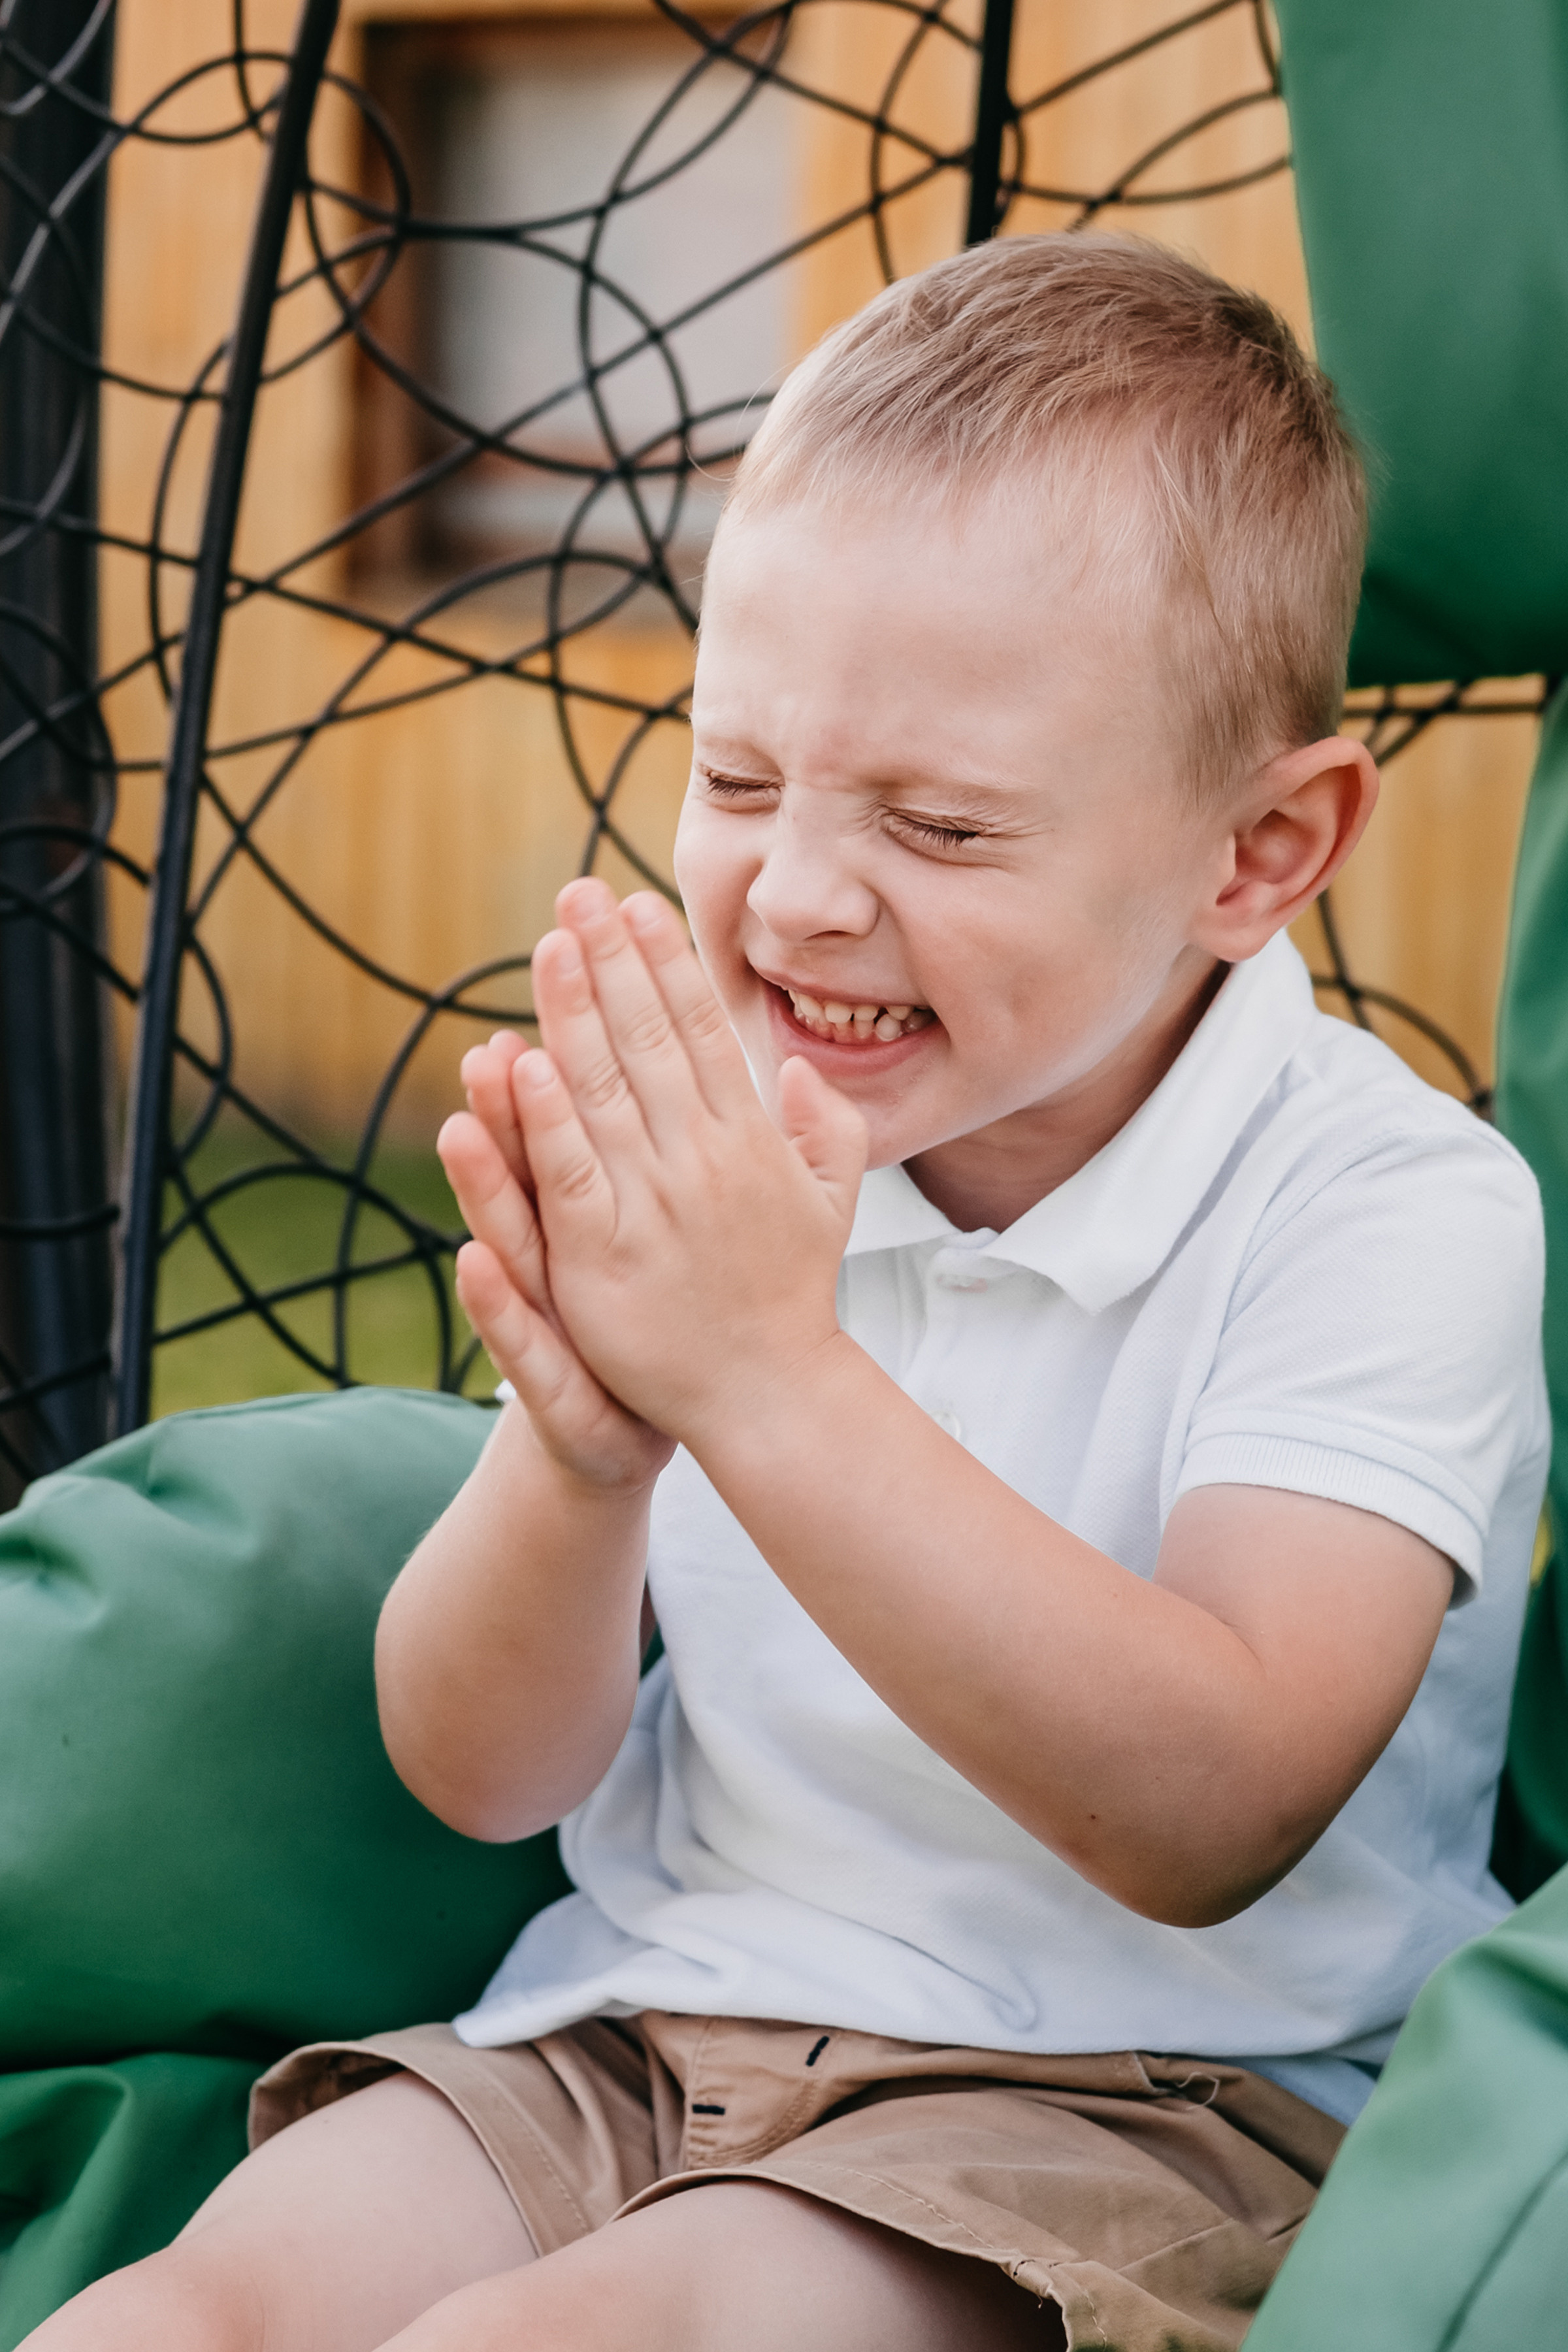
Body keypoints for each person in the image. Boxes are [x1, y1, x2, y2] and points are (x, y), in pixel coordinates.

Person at [27, 233, 1546, 2352]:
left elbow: (1213, 1807)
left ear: (1256, 854)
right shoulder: (724, 1141)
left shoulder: (1389, 1211)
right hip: (645, 2019)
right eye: (738, 779)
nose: (804, 889)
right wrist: (578, 1454)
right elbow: (487, 1776)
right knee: (164, 2321)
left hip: (1130, 2102)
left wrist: (764, 1375)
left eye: (940, 823)